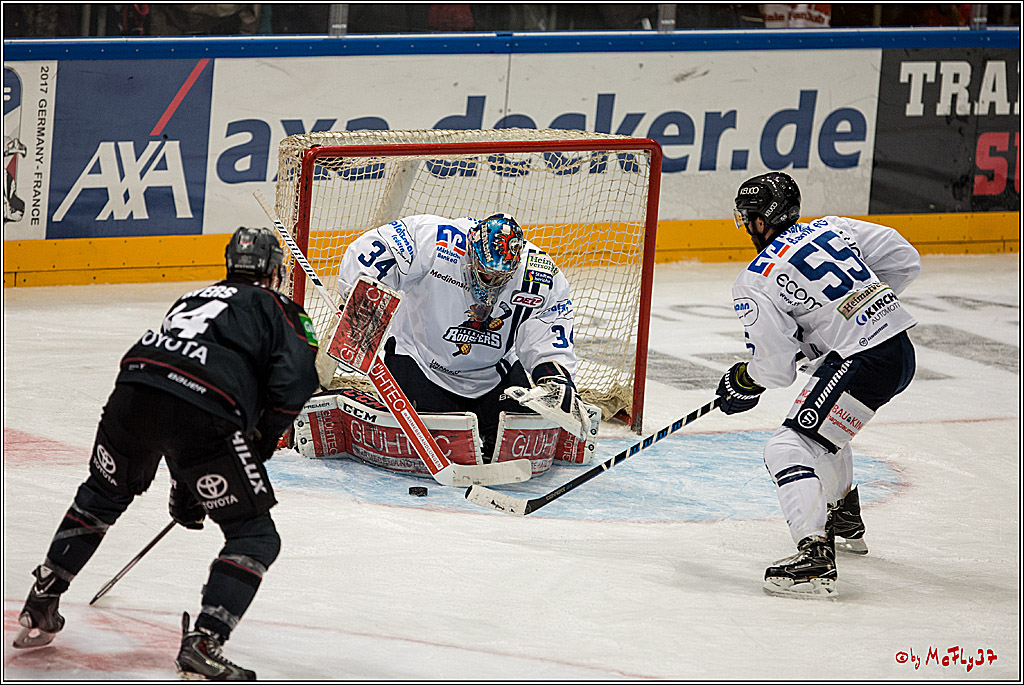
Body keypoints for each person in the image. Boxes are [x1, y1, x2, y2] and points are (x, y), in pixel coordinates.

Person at [13, 226, 320, 679]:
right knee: (254, 537)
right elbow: (295, 383)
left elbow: (174, 389)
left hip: (134, 387)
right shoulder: (281, 309)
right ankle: (204, 641)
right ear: (274, 271)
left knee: (102, 494)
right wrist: (258, 445)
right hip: (202, 409)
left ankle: (43, 597)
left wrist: (187, 484)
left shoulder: (191, 298)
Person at [717, 172, 921, 598]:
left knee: (787, 448)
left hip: (864, 360)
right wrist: (850, 314)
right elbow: (905, 260)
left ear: (759, 221)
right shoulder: (833, 227)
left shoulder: (755, 279)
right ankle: (842, 516)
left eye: (747, 218)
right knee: (821, 433)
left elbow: (775, 370)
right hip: (899, 350)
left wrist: (744, 380)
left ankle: (814, 558)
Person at [334, 213, 598, 460]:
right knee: (431, 442)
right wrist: (362, 304)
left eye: (500, 277)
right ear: (471, 252)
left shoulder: (539, 272)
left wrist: (555, 377)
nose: (490, 283)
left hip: (493, 374)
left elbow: (548, 327)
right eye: (485, 273)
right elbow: (375, 250)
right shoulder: (434, 239)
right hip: (421, 363)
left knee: (521, 444)